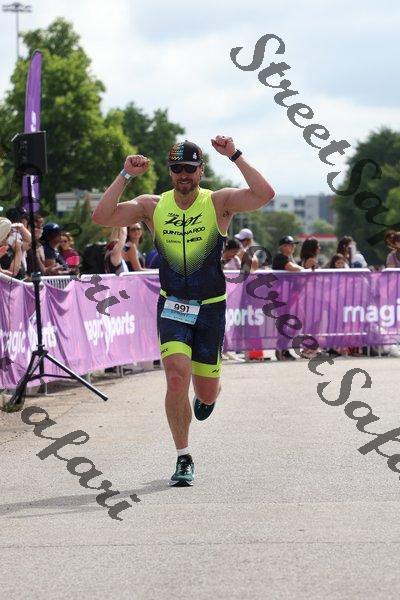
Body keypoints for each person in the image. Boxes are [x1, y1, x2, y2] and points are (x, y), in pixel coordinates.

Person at [92, 136, 275, 486]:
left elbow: (264, 194)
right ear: (170, 172)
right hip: (172, 305)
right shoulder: (152, 206)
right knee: (176, 377)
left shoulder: (218, 202)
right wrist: (125, 175)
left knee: (205, 393)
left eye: (189, 168)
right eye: (177, 169)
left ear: (201, 170)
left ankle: (210, 394)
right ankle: (183, 456)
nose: (183, 175)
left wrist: (234, 155)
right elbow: (101, 216)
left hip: (210, 309)